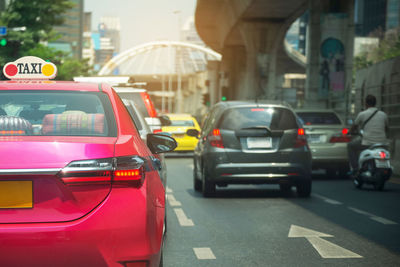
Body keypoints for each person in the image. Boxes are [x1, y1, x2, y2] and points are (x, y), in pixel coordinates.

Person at [347, 94, 389, 174]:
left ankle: (355, 168)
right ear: (375, 103)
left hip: (367, 143)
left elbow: (354, 127)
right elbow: (386, 129)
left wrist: (350, 132)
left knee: (350, 146)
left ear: (365, 104)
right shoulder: (383, 115)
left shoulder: (362, 114)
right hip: (382, 143)